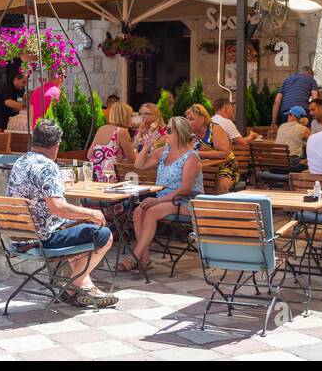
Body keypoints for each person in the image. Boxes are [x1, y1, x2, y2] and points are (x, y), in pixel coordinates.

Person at [6, 119, 117, 308]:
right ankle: (73, 287)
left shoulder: (21, 161)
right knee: (104, 235)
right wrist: (90, 213)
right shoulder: (48, 166)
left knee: (76, 231)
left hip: (17, 238)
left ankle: (86, 286)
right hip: (41, 239)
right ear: (56, 146)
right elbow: (57, 207)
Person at [124, 116, 202, 273]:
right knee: (139, 211)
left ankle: (135, 256)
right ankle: (145, 260)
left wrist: (157, 201)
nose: (164, 132)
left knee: (151, 211)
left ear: (179, 134)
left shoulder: (191, 157)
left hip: (186, 202)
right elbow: (139, 164)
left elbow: (185, 189)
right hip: (164, 200)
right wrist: (146, 147)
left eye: (169, 130)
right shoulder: (163, 153)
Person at [186, 102, 238, 193]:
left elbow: (223, 153)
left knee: (221, 188)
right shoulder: (190, 133)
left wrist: (196, 153)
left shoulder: (214, 129)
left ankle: (223, 206)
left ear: (202, 118)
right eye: (187, 119)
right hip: (202, 167)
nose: (187, 122)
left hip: (225, 166)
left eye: (191, 119)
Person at [88, 101, 135, 181]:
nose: (132, 119)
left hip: (95, 176)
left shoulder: (101, 129)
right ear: (125, 116)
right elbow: (133, 160)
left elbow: (89, 156)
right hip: (112, 178)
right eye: (131, 116)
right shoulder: (122, 132)